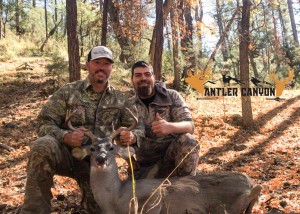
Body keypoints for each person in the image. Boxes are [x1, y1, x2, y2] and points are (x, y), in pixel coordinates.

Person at [20, 46, 144, 214]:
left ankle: (89, 196)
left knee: (100, 208)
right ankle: (34, 210)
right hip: (70, 156)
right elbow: (43, 123)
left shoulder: (121, 99)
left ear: (111, 68)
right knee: (43, 146)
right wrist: (65, 136)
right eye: (97, 62)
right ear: (87, 65)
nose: (101, 67)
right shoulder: (68, 92)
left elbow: (139, 129)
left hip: (99, 164)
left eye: (106, 63)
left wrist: (132, 136)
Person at [127, 60, 200, 179]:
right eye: (138, 75)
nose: (143, 78)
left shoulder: (172, 96)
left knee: (189, 140)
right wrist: (129, 138)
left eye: (147, 74)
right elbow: (119, 137)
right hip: (143, 166)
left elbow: (190, 126)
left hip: (171, 160)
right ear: (132, 80)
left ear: (154, 77)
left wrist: (169, 127)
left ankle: (186, 187)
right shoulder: (128, 106)